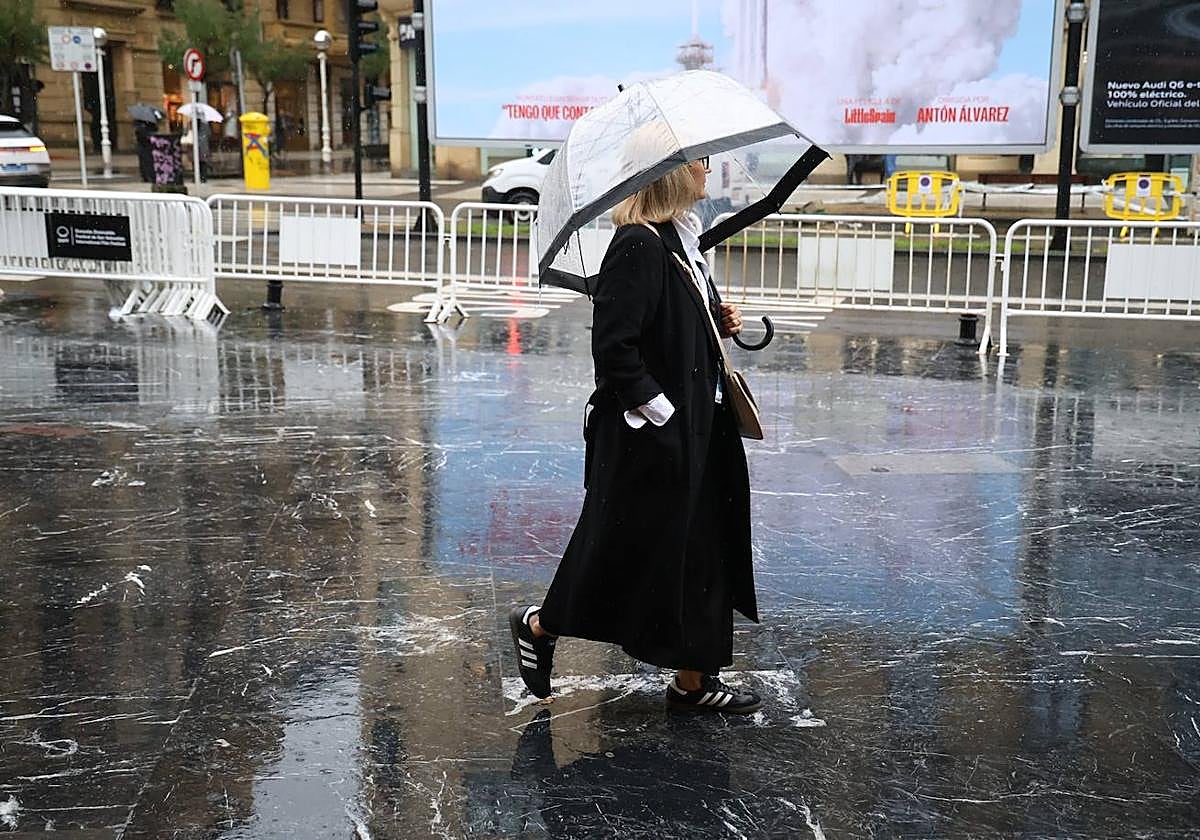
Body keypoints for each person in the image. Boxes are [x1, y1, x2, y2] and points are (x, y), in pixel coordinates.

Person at [510, 153, 762, 715]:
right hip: (650, 438)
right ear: (668, 172)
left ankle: (694, 679)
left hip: (700, 424)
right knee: (620, 548)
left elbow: (666, 323)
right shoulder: (637, 244)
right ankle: (539, 626)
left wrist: (715, 320)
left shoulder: (678, 239)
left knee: (704, 548)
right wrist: (663, 416)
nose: (707, 169)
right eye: (697, 162)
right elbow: (615, 349)